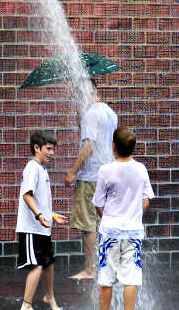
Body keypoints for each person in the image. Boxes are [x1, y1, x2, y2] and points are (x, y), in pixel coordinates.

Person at [93, 127, 154, 310]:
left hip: (109, 231)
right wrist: (134, 214)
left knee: (106, 279)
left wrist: (107, 218)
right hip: (133, 232)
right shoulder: (141, 169)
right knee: (131, 279)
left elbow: (98, 203)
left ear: (113, 146)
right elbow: (146, 199)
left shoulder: (105, 170)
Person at [64, 77, 118, 279]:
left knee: (89, 225)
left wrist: (73, 172)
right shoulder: (110, 113)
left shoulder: (91, 115)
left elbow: (89, 147)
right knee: (105, 223)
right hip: (109, 174)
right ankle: (109, 266)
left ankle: (89, 269)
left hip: (90, 177)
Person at [16, 130, 68, 310]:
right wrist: (39, 216)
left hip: (42, 227)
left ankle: (49, 297)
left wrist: (52, 216)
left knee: (48, 263)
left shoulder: (41, 169)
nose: (52, 153)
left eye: (54, 149)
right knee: (37, 265)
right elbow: (27, 196)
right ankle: (26, 305)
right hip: (31, 227)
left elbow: (40, 199)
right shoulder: (32, 168)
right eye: (49, 149)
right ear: (36, 148)